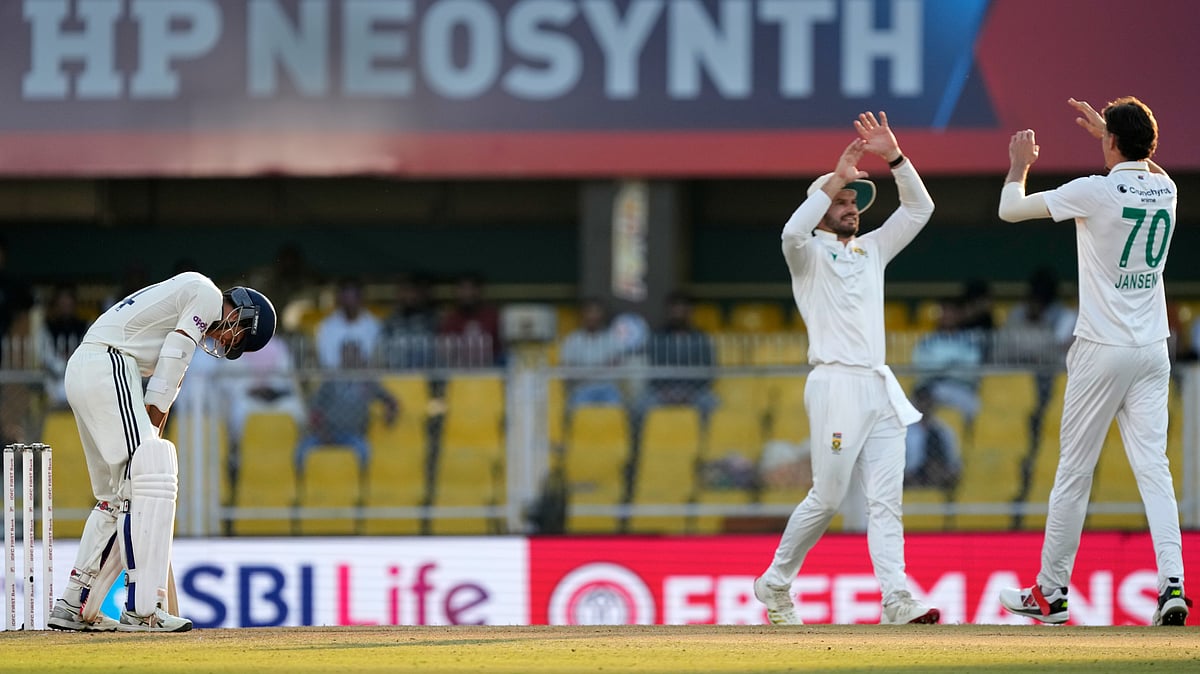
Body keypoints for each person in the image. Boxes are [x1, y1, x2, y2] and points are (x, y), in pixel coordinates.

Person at [996, 97, 1190, 627]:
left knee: (1074, 472)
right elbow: (1146, 168)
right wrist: (1117, 136)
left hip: (1102, 348)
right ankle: (1172, 585)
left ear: (1111, 144)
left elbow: (1010, 210)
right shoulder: (1167, 189)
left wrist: (1019, 165)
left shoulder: (1095, 190)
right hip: (1153, 347)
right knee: (1155, 470)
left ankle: (1051, 594)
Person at [753, 111, 940, 626]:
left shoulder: (873, 249)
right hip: (835, 383)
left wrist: (895, 157)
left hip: (879, 385)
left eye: (854, 201)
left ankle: (897, 598)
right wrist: (834, 178)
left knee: (886, 503)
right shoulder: (807, 253)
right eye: (841, 201)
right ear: (822, 208)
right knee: (829, 496)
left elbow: (919, 209)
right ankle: (775, 583)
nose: (851, 207)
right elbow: (791, 231)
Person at [48, 272, 276, 632]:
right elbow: (171, 367)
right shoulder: (206, 294)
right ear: (244, 315)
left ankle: (73, 603)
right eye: (240, 336)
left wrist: (148, 446)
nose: (230, 341)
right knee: (149, 480)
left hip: (89, 369)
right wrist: (149, 456)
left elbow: (169, 383)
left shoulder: (191, 308)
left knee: (116, 496)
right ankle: (143, 609)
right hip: (109, 364)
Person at [295, 340, 399, 470]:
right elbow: (315, 408)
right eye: (346, 354)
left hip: (353, 435)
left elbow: (391, 400)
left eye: (354, 353)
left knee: (365, 453)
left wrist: (390, 412)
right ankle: (300, 487)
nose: (350, 357)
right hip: (326, 433)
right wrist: (322, 432)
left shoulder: (367, 381)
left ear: (360, 355)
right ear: (341, 356)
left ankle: (360, 488)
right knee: (301, 452)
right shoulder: (331, 380)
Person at [558, 298, 625, 409]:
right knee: (578, 405)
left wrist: (585, 371)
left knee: (615, 404)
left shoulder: (612, 339)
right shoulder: (572, 340)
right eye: (589, 311)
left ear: (603, 315)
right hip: (581, 388)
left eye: (596, 312)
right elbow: (567, 370)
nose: (593, 316)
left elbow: (616, 366)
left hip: (607, 388)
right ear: (583, 315)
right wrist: (601, 368)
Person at [315, 277, 381, 369]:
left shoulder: (375, 325)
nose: (350, 301)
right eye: (346, 296)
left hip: (367, 379)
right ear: (339, 298)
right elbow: (325, 362)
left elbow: (379, 363)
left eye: (354, 295)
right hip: (335, 379)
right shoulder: (326, 326)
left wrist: (359, 361)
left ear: (361, 297)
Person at [903, 386, 962, 491]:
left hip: (938, 475)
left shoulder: (943, 431)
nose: (924, 405)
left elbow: (953, 461)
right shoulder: (903, 431)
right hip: (909, 477)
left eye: (927, 401)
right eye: (921, 401)